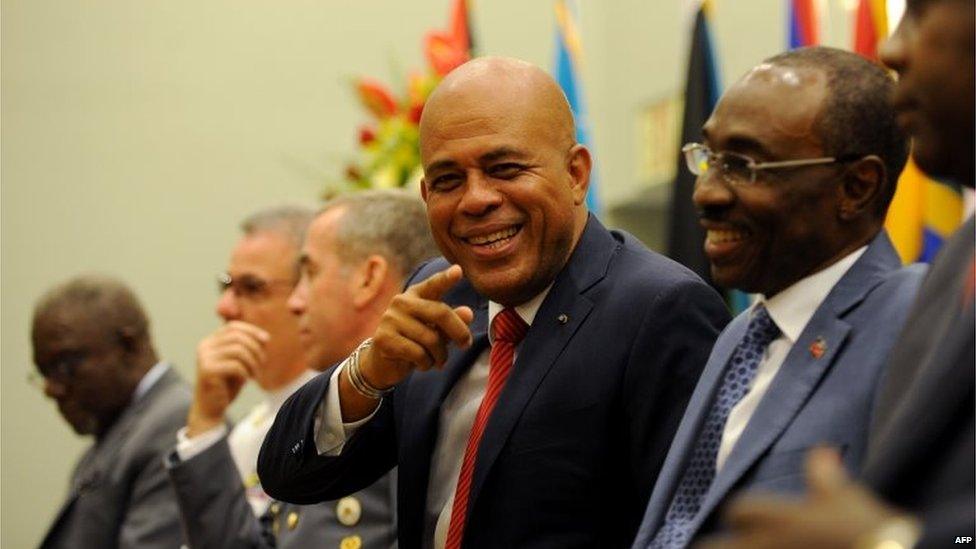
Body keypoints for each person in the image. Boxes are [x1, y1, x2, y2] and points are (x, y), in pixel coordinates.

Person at [258, 56, 731, 549]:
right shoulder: (438, 292)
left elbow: (690, 532)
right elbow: (289, 475)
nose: (475, 199)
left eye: (504, 169)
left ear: (575, 174)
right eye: (447, 181)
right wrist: (368, 371)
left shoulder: (659, 309)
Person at [696, 2, 975, 548]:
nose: (892, 49)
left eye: (919, 11)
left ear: (856, 188)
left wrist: (891, 541)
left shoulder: (900, 310)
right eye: (708, 158)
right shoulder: (958, 266)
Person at [630, 46, 927, 549]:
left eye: (744, 165)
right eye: (709, 158)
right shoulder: (740, 335)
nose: (706, 193)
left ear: (856, 187)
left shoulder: (918, 318)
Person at [167, 196, 431, 548]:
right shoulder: (319, 418)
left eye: (309, 273)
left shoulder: (419, 399)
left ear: (368, 278)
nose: (296, 302)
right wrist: (204, 422)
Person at [33, 275, 191, 549]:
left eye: (65, 365)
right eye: (44, 373)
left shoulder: (177, 426)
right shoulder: (116, 431)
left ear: (129, 346)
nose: (52, 389)